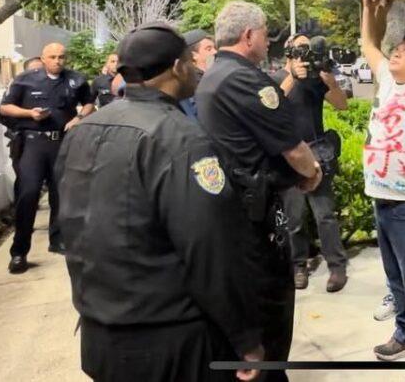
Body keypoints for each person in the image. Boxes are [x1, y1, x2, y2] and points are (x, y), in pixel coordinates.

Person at [54, 23, 266, 382]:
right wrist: (245, 337)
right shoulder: (181, 138)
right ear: (179, 67)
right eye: (190, 62)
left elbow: (67, 227)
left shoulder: (83, 131)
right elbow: (210, 248)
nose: (196, 69)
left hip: (100, 337)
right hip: (171, 341)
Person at [195, 1, 324, 376]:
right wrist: (312, 173)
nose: (270, 42)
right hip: (257, 218)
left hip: (235, 212)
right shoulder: (244, 79)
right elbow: (293, 148)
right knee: (271, 317)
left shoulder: (214, 75)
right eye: (266, 34)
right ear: (248, 35)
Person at [359, 0, 405, 379]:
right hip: (380, 195)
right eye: (398, 49)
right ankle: (404, 334)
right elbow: (369, 43)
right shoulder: (389, 81)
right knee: (395, 278)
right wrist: (369, 8)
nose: (396, 53)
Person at [0, 42, 94, 274]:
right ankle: (19, 252)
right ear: (43, 58)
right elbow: (5, 108)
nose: (57, 61)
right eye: (52, 57)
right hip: (33, 143)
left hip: (62, 142)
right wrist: (29, 113)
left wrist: (80, 117)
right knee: (28, 194)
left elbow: (89, 102)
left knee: (61, 194)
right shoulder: (25, 80)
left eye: (61, 57)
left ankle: (58, 240)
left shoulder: (76, 79)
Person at [279, 33, 350, 293]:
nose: (305, 54)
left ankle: (337, 266)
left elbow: (342, 105)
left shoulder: (316, 79)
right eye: (300, 49)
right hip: (289, 156)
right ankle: (298, 265)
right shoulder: (277, 78)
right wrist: (292, 77)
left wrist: (329, 81)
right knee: (294, 217)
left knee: (325, 216)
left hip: (317, 153)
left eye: (308, 49)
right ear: (288, 52)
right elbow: (271, 104)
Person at [179, 29, 216, 119]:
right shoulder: (194, 85)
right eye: (209, 49)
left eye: (215, 48)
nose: (215, 52)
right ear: (194, 55)